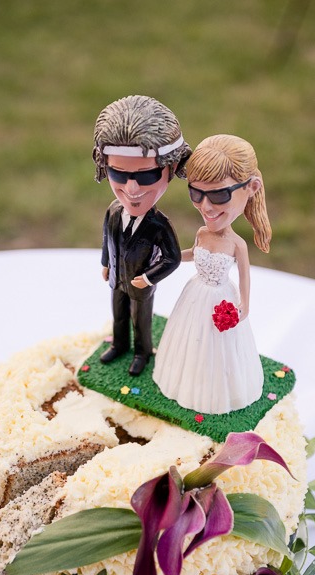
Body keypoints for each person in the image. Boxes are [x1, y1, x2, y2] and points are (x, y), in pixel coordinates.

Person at [153, 134, 272, 414]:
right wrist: (166, 258)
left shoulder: (237, 245)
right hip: (194, 296)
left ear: (251, 188)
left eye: (218, 195)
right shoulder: (202, 233)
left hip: (222, 301)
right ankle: (185, 384)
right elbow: (193, 253)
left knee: (220, 353)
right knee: (188, 344)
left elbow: (245, 278)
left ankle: (216, 395)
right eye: (196, 194)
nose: (206, 206)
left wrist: (244, 306)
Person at [93, 95, 191, 376]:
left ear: (172, 167)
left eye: (147, 176)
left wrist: (148, 278)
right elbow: (106, 239)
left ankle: (142, 352)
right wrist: (105, 263)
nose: (132, 189)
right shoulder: (112, 212)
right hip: (117, 278)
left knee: (141, 320)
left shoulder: (159, 225)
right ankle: (120, 345)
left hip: (140, 284)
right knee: (119, 315)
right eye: (118, 174)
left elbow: (172, 258)